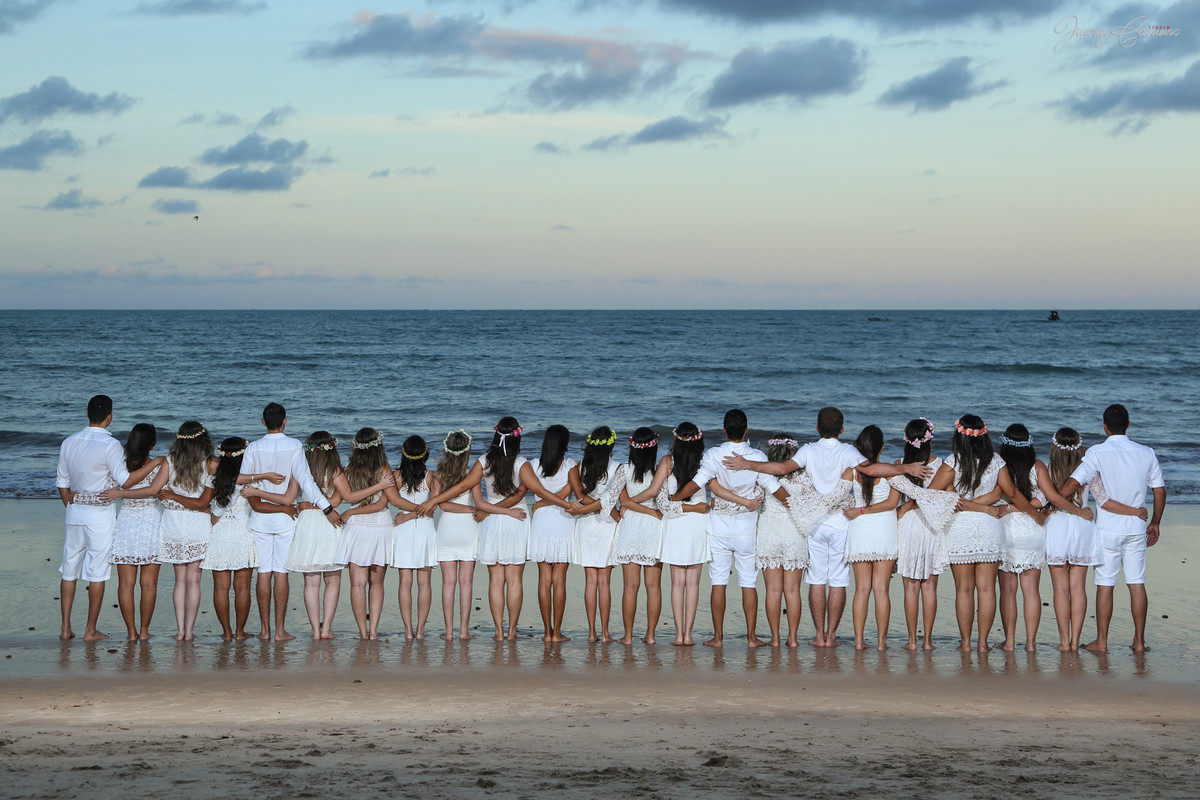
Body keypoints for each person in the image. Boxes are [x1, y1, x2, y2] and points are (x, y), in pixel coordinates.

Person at [724, 407, 929, 647]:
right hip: (842, 521)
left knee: (817, 580)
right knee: (839, 581)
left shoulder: (809, 450)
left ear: (817, 428)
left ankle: (818, 636)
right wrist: (905, 468)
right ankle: (831, 636)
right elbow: (872, 469)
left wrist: (747, 464)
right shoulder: (848, 451)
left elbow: (780, 469)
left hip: (815, 524)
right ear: (842, 430)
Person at [417, 417, 575, 641]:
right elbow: (540, 491)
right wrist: (566, 504)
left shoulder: (483, 461)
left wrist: (432, 501)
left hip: (491, 520)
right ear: (516, 438)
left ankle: (499, 633)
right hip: (516, 520)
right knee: (514, 581)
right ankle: (511, 631)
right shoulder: (521, 463)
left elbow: (462, 487)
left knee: (496, 580)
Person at [1058, 404, 1166, 654]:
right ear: (1128, 424)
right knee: (1137, 583)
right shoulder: (1146, 452)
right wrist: (1156, 521)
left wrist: (1052, 502)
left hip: (1108, 529)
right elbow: (1159, 490)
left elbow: (1073, 483)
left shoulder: (1097, 452)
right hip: (1137, 528)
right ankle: (1139, 642)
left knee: (1105, 584)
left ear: (1104, 426)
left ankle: (1102, 642)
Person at [240, 402, 342, 642]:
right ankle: (280, 631)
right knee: (281, 572)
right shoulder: (295, 445)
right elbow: (306, 481)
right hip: (287, 517)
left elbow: (242, 480)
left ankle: (265, 631)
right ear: (285, 421)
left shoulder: (253, 447)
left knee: (264, 572)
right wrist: (326, 507)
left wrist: (259, 480)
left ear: (263, 422)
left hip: (260, 517)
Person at [672, 409, 769, 648]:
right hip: (747, 528)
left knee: (718, 583)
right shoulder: (757, 456)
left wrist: (674, 499)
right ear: (747, 430)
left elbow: (697, 484)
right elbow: (768, 485)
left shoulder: (714, 455)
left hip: (719, 529)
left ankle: (718, 638)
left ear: (724, 430)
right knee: (749, 583)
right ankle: (751, 637)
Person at [55, 395, 140, 641]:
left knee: (69, 570)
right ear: (110, 417)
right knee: (97, 572)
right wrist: (154, 464)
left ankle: (64, 628)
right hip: (100, 514)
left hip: (75, 510)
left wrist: (70, 506)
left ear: (87, 414)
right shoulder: (110, 445)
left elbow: (62, 483)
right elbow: (124, 480)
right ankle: (90, 630)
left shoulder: (69, 442)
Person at [203, 437, 296, 641]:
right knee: (242, 587)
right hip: (242, 530)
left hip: (220, 530)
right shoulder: (251, 480)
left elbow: (216, 506)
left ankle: (226, 632)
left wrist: (215, 514)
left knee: (220, 587)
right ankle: (239, 632)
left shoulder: (215, 478)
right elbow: (253, 499)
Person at [272, 431, 345, 640]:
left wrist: (306, 503)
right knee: (332, 579)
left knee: (311, 582)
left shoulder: (300, 471)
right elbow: (337, 502)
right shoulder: (337, 471)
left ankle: (314, 630)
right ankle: (326, 629)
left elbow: (290, 499)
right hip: (328, 523)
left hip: (307, 522)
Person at [840, 425, 901, 651]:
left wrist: (858, 510)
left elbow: (835, 494)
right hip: (884, 531)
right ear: (882, 448)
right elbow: (892, 504)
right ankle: (882, 643)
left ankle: (858, 641)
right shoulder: (891, 471)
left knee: (862, 590)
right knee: (882, 590)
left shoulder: (852, 471)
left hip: (860, 531)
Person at [109, 423, 170, 641]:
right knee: (149, 584)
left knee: (125, 583)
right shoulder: (160, 463)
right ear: (153, 443)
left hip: (126, 520)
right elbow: (161, 490)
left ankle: (131, 632)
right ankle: (144, 631)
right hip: (151, 520)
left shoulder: (120, 464)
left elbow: (119, 486)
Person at [156, 421, 216, 642]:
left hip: (173, 523)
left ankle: (180, 630)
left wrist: (173, 496)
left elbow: (159, 491)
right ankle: (189, 632)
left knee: (179, 580)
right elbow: (202, 503)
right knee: (194, 580)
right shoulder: (210, 464)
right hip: (197, 525)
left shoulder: (169, 462)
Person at [995, 424, 1049, 653]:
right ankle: (1031, 644)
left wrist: (1010, 509)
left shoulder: (999, 465)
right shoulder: (1038, 466)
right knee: (1031, 591)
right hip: (1032, 531)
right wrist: (1028, 510)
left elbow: (996, 497)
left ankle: (1009, 642)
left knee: (1007, 591)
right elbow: (1044, 498)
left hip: (1006, 529)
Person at [890, 418, 943, 651]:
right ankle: (928, 641)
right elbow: (946, 496)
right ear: (930, 437)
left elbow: (895, 502)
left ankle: (912, 641)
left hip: (908, 524)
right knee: (929, 587)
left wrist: (909, 504)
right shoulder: (942, 465)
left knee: (910, 586)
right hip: (932, 524)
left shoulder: (899, 464)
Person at [655, 423, 710, 646]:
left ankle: (679, 635)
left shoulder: (668, 463)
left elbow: (661, 500)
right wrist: (696, 508)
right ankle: (689, 634)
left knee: (677, 583)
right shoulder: (704, 463)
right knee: (693, 584)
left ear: (676, 440)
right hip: (698, 524)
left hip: (676, 524)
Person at [568, 426, 625, 643]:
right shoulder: (618, 467)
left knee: (590, 582)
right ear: (611, 445)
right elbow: (613, 498)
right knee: (604, 583)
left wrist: (587, 508)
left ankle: (591, 632)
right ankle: (605, 633)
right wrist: (611, 511)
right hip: (607, 524)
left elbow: (580, 496)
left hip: (585, 524)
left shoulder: (578, 467)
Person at [613, 427, 669, 645]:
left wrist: (630, 507)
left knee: (630, 586)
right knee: (653, 586)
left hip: (630, 527)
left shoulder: (624, 470)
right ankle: (651, 635)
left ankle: (627, 637)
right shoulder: (659, 472)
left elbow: (623, 502)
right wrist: (653, 512)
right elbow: (662, 501)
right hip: (653, 527)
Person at [527, 425, 576, 643]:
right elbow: (568, 492)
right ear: (564, 444)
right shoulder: (570, 464)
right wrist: (547, 501)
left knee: (544, 579)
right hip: (562, 520)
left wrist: (540, 504)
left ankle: (547, 632)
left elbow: (538, 493)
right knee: (560, 580)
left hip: (541, 522)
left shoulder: (533, 465)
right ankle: (557, 632)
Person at [431, 429, 478, 641]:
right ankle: (463, 631)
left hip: (447, 528)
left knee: (448, 583)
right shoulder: (472, 473)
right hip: (468, 528)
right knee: (466, 583)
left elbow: (440, 504)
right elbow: (476, 502)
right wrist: (470, 510)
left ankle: (449, 632)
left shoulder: (439, 473)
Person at [390, 436, 439, 641]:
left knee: (405, 582)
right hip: (425, 529)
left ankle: (408, 631)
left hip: (404, 528)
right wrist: (419, 512)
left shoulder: (396, 476)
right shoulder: (431, 476)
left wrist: (406, 516)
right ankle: (420, 631)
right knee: (424, 582)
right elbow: (432, 508)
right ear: (425, 454)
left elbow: (395, 500)